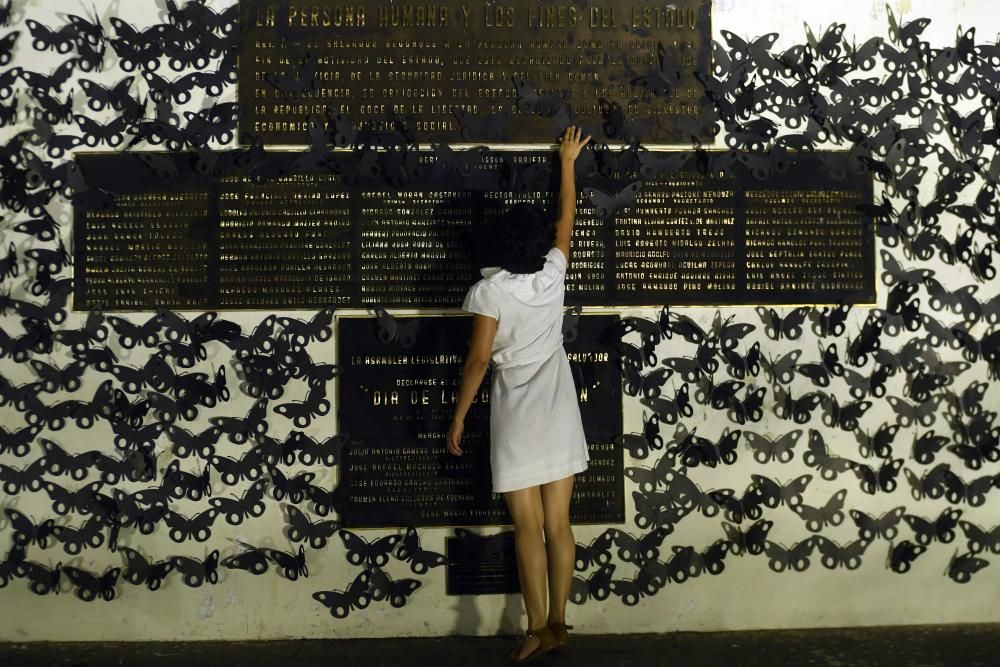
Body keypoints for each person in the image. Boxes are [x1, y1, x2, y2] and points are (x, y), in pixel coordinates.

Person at [447, 126, 592, 663]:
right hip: (559, 408)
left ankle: (536, 627)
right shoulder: (554, 273)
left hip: (517, 412)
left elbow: (479, 361)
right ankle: (559, 621)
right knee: (560, 525)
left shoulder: (489, 291)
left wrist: (459, 417)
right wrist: (568, 160)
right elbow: (567, 215)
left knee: (527, 526)